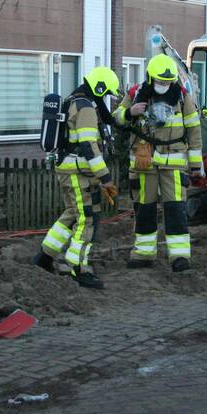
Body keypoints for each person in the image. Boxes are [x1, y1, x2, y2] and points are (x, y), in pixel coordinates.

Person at [113, 54, 202, 272]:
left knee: (175, 210)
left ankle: (179, 257)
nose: (165, 86)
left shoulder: (181, 97)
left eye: (168, 82)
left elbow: (193, 130)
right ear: (151, 78)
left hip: (173, 162)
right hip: (144, 162)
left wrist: (196, 166)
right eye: (161, 82)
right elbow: (116, 118)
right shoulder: (136, 94)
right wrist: (129, 112)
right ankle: (143, 253)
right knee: (144, 209)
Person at [33, 67, 120, 289]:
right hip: (77, 172)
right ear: (99, 88)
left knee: (72, 214)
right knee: (87, 219)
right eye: (105, 93)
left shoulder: (77, 100)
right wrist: (106, 177)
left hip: (71, 170)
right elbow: (88, 146)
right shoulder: (86, 108)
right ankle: (77, 267)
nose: (106, 98)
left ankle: (44, 257)